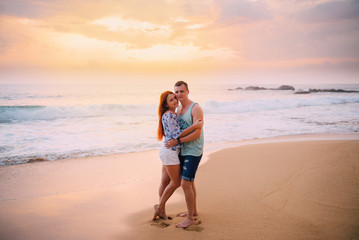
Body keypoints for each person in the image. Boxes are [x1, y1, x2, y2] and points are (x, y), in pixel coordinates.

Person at [153, 91, 202, 221]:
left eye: (175, 98)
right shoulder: (169, 115)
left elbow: (174, 133)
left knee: (165, 182)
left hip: (168, 151)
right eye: (171, 100)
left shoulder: (172, 114)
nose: (175, 100)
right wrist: (195, 126)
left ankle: (162, 211)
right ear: (166, 104)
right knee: (176, 183)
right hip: (170, 151)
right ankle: (159, 207)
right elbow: (177, 134)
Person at [165, 81, 204, 228]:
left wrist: (178, 140)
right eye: (176, 92)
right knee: (190, 182)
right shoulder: (179, 109)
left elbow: (197, 132)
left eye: (181, 91)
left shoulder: (196, 108)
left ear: (188, 91)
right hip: (183, 150)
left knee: (185, 183)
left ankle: (189, 219)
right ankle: (193, 212)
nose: (179, 94)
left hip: (193, 151)